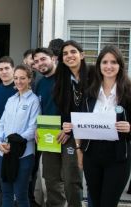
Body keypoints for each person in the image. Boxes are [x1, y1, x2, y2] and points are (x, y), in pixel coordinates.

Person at [63, 45, 131, 207]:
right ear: (99, 65)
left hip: (118, 157)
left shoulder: (128, 93)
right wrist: (72, 128)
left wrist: (130, 127)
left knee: (108, 203)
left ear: (120, 65)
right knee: (95, 201)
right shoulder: (89, 93)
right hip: (92, 156)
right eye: (104, 62)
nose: (108, 66)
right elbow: (81, 123)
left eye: (113, 62)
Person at [0, 64, 40, 207]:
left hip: (24, 154)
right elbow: (2, 124)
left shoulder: (34, 100)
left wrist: (13, 143)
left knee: (21, 194)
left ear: (29, 79)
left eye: (22, 78)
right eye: (16, 78)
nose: (19, 81)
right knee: (6, 192)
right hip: (4, 152)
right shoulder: (11, 100)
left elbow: (33, 128)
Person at [52, 40, 88, 207]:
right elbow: (63, 109)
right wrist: (66, 127)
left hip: (96, 132)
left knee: (96, 179)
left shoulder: (95, 75)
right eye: (65, 53)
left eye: (73, 52)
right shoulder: (62, 79)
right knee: (70, 179)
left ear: (82, 55)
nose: (69, 56)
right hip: (72, 135)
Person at [32, 47, 61, 207]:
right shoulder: (39, 83)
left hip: (68, 134)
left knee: (70, 181)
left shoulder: (65, 78)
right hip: (47, 135)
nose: (39, 63)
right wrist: (37, 127)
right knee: (51, 180)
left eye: (43, 59)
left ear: (54, 59)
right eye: (36, 61)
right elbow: (39, 108)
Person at [0, 56, 16, 207]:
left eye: (7, 68)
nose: (4, 71)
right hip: (2, 137)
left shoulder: (20, 86)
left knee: (20, 177)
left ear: (13, 69)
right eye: (1, 69)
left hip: (20, 139)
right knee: (1, 177)